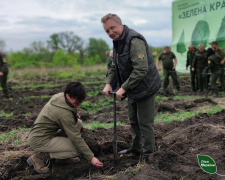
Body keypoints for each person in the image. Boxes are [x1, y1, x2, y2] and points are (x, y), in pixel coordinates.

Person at [101, 13, 161, 163]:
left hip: (146, 87)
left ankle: (148, 156)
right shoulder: (117, 42)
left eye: (112, 28)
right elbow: (115, 65)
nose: (110, 32)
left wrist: (124, 88)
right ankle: (136, 148)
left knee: (145, 123)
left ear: (120, 24)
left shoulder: (134, 40)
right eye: (107, 31)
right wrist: (109, 83)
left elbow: (141, 69)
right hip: (134, 88)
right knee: (133, 120)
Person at [27, 82, 103, 174]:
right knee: (76, 149)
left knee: (78, 123)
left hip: (45, 133)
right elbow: (75, 137)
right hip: (40, 140)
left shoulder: (59, 97)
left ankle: (61, 158)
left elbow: (69, 109)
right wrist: (91, 157)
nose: (78, 104)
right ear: (68, 96)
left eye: (80, 101)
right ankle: (40, 156)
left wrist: (74, 113)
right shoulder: (64, 115)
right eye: (77, 101)